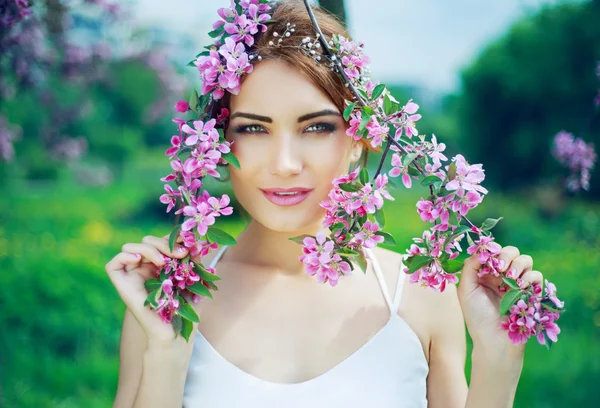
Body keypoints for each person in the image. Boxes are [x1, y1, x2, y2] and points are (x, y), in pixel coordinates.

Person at [105, 1, 544, 407]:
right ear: (219, 145)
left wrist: (498, 360)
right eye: (254, 129)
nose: (284, 164)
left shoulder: (421, 296)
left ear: (359, 138)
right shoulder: (170, 297)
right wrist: (165, 353)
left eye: (316, 127)